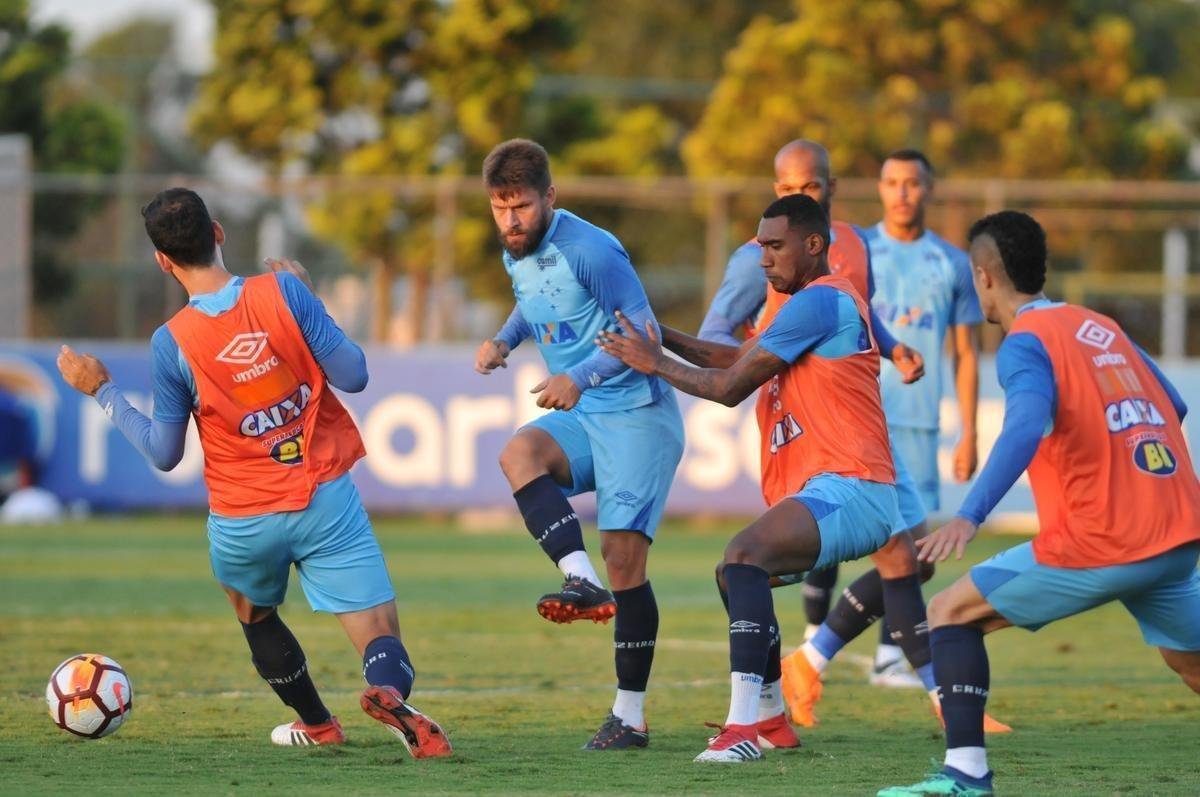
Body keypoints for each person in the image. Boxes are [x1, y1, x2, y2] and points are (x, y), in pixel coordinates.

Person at [55, 188, 451, 757]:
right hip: (322, 498)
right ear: (218, 233)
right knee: (379, 631)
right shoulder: (285, 291)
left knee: (255, 615)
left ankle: (318, 725)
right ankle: (387, 693)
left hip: (242, 519)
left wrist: (103, 391)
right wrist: (310, 300)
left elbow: (165, 454)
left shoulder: (171, 343)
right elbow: (355, 375)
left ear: (162, 262)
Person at [599, 193, 936, 763]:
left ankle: (742, 729)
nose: (763, 260)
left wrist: (652, 360)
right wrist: (663, 335)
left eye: (774, 246)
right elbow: (731, 358)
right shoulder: (807, 306)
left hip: (853, 487)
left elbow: (729, 388)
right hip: (836, 490)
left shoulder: (819, 301)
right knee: (734, 574)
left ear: (813, 245)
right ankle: (774, 718)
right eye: (760, 247)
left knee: (743, 555)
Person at [879, 211, 1200, 797]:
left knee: (950, 614)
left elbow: (1025, 425)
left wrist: (970, 516)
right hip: (1177, 534)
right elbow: (1173, 405)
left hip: (1102, 542)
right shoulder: (1097, 324)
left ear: (983, 278)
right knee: (1193, 666)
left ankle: (966, 775)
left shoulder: (1025, 343)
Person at [474, 139, 684, 750]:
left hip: (638, 416)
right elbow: (534, 303)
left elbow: (643, 330)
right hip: (585, 413)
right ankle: (578, 580)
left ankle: (630, 716)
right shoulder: (516, 247)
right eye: (499, 207)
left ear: (551, 197)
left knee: (626, 561)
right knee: (519, 454)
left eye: (522, 207)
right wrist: (504, 340)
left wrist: (581, 375)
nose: (511, 221)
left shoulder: (591, 248)